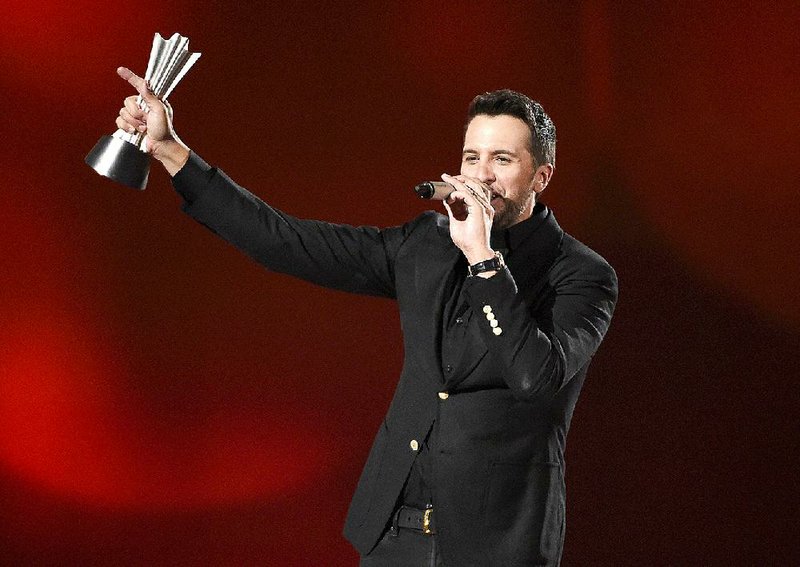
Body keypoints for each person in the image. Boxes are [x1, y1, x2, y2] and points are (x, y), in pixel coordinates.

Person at [114, 66, 618, 566]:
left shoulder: (580, 275)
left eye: (502, 159)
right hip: (392, 533)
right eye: (472, 157)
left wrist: (484, 261)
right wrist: (171, 151)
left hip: (495, 545)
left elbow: (536, 376)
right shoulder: (426, 244)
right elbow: (286, 242)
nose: (482, 174)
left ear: (541, 175)